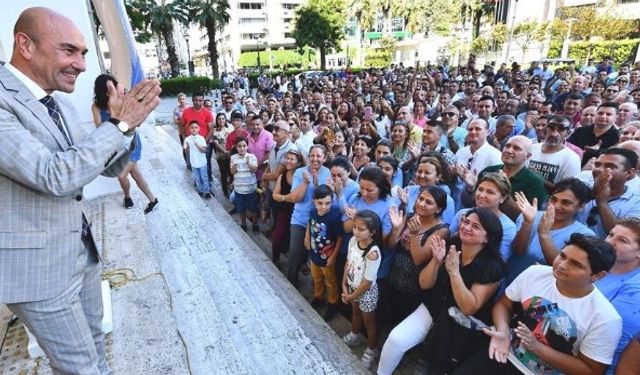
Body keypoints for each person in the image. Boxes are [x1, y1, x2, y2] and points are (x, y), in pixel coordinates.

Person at [0, 7, 161, 374]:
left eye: (84, 53)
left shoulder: (55, 101)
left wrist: (127, 128)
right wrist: (118, 126)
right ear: (25, 44)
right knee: (82, 369)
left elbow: (106, 166)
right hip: (40, 273)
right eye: (69, 50)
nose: (82, 65)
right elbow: (55, 175)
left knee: (95, 357)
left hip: (81, 256)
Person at [456, 234, 622, 375]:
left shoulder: (605, 318)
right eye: (563, 256)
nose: (562, 265)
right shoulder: (536, 273)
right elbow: (504, 304)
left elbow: (591, 370)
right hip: (503, 351)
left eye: (576, 265)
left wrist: (536, 347)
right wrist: (503, 331)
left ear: (598, 276)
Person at [378, 208, 505, 375]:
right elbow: (424, 284)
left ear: (488, 238)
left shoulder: (492, 267)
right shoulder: (452, 244)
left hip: (459, 324)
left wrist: (454, 273)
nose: (467, 227)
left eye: (476, 226)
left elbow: (469, 307)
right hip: (433, 306)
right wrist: (436, 262)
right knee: (396, 339)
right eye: (466, 222)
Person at [91, 74, 158, 212]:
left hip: (131, 142)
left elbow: (135, 122)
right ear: (101, 90)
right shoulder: (96, 107)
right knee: (136, 174)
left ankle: (127, 197)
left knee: (122, 175)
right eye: (108, 88)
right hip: (115, 146)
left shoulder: (122, 101)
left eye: (113, 86)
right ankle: (153, 200)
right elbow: (99, 128)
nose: (111, 90)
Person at [507, 179, 594, 284]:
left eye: (566, 202)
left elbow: (561, 267)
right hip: (511, 281)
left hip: (543, 292)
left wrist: (544, 235)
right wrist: (527, 222)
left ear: (581, 206)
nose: (556, 206)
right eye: (553, 199)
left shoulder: (584, 235)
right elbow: (518, 251)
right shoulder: (532, 215)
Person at [387, 186, 449, 323]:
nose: (421, 204)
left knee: (404, 319)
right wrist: (396, 229)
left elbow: (419, 260)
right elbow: (391, 245)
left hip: (413, 284)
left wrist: (414, 235)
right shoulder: (410, 217)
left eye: (429, 202)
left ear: (438, 209)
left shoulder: (441, 230)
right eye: (420, 199)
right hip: (394, 275)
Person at [596, 218, 640, 375]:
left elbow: (613, 338)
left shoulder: (636, 289)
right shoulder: (596, 264)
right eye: (611, 234)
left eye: (622, 240)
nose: (610, 241)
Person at [341, 210, 383, 369]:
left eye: (361, 229)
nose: (356, 231)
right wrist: (344, 284)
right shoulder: (352, 241)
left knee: (369, 321)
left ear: (372, 231)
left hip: (366, 293)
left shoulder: (372, 253)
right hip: (352, 288)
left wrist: (351, 296)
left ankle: (372, 350)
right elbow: (348, 262)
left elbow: (367, 282)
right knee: (355, 313)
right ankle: (355, 334)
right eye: (354, 227)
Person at [284, 145, 332, 286]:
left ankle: (315, 288)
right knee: (294, 251)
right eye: (312, 155)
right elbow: (295, 198)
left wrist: (317, 184)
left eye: (318, 156)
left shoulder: (328, 173)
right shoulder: (300, 172)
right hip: (300, 219)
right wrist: (306, 182)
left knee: (315, 254)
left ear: (325, 158)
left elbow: (325, 201)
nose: (315, 159)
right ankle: (291, 281)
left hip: (318, 222)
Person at [578, 147, 640, 239]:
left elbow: (621, 237)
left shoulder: (636, 202)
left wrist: (602, 202)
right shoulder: (581, 185)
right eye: (597, 165)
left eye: (610, 166)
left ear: (629, 173)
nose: (599, 169)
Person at [305, 184, 344, 321]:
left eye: (327, 203)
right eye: (320, 203)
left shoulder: (334, 216)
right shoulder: (312, 212)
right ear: (313, 201)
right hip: (315, 254)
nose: (324, 207)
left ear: (332, 201)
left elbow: (340, 237)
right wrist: (307, 237)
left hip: (328, 258)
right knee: (316, 277)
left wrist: (333, 256)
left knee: (331, 282)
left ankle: (333, 303)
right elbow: (310, 224)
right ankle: (319, 297)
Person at [529, 115, 582, 192]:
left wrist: (535, 177)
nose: (554, 134)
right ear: (545, 130)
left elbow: (567, 190)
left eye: (561, 130)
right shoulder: (531, 148)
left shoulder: (572, 158)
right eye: (551, 128)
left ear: (568, 133)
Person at [270, 149, 304, 263]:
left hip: (298, 214)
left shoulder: (302, 177)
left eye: (292, 159)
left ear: (298, 163)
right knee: (278, 237)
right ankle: (275, 260)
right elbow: (275, 194)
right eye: (287, 158)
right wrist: (286, 198)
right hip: (284, 211)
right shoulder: (282, 176)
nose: (288, 161)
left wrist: (284, 197)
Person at [230, 137, 259, 233]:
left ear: (247, 146)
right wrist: (234, 165)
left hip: (251, 189)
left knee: (253, 208)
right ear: (236, 147)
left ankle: (255, 224)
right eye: (239, 146)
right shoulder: (233, 158)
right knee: (241, 209)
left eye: (244, 146)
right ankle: (243, 223)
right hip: (239, 190)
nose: (242, 148)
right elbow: (233, 172)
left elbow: (254, 170)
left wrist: (248, 163)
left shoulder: (252, 157)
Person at [183, 122, 211, 199]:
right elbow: (186, 151)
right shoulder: (187, 139)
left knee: (204, 177)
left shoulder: (201, 138)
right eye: (192, 127)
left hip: (202, 162)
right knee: (197, 178)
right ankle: (200, 190)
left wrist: (197, 145)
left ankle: (207, 191)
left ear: (199, 129)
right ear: (189, 129)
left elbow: (204, 150)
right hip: (194, 163)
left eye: (196, 127)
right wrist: (188, 147)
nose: (194, 129)